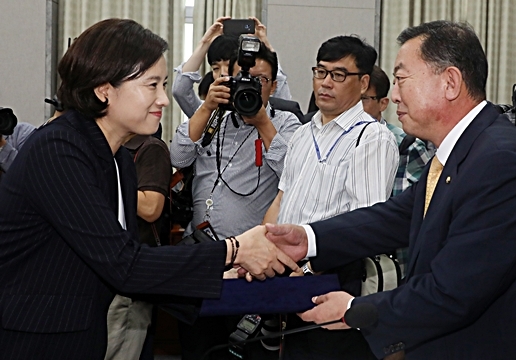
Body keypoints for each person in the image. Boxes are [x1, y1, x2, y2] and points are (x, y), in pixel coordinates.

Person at [0, 18, 297, 360]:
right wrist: (232, 250)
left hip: (79, 334)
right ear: (103, 88)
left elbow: (128, 265)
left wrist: (226, 274)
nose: (164, 100)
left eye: (164, 84)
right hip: (34, 340)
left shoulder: (119, 158)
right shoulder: (59, 150)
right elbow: (124, 265)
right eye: (151, 85)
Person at [261, 20, 516, 359]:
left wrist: (353, 309)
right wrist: (309, 238)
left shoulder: (501, 161)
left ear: (449, 82)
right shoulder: (463, 150)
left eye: (401, 79)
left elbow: (453, 292)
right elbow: (396, 216)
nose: (392, 95)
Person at [262, 35, 398, 360]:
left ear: (364, 83)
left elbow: (366, 227)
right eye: (320, 72)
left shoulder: (372, 138)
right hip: (290, 278)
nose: (325, 83)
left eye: (338, 75)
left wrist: (308, 270)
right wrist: (262, 252)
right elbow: (282, 200)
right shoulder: (302, 134)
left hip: (335, 281)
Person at [170, 31, 301, 360]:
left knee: (247, 351)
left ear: (273, 85)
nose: (252, 87)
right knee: (198, 348)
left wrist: (262, 124)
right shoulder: (214, 118)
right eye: (246, 79)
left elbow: (295, 174)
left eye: (261, 80)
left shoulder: (286, 123)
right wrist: (207, 106)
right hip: (202, 256)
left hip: (251, 265)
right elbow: (178, 157)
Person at [106, 131, 172, 360]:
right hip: (110, 266)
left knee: (126, 346)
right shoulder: (108, 148)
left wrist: (99, 187)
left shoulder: (150, 148)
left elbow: (151, 208)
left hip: (135, 268)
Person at [361, 65, 434, 274]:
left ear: (383, 103)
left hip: (393, 267)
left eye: (364, 100)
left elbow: (414, 213)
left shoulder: (406, 145)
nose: (355, 107)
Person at [172, 16, 291, 119]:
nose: (223, 73)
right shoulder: (209, 111)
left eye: (228, 66)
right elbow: (180, 91)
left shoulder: (265, 105)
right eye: (215, 68)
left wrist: (264, 44)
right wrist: (205, 43)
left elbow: (282, 97)